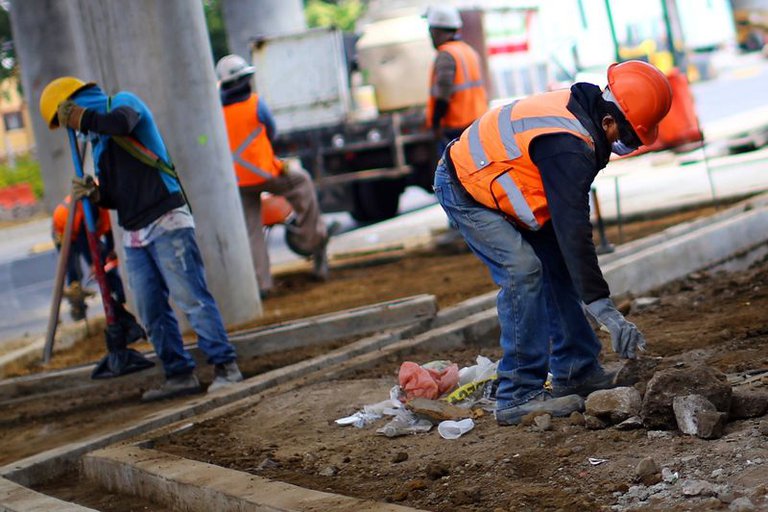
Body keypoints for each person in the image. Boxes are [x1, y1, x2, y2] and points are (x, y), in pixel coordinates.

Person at [433, 60, 672, 426]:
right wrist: (604, 309)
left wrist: (595, 298)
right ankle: (517, 393)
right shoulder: (569, 146)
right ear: (609, 121)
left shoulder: (582, 117)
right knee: (523, 270)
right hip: (467, 187)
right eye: (626, 137)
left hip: (506, 185)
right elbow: (574, 228)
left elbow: (568, 236)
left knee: (556, 267)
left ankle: (577, 370)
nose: (622, 147)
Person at [39, 77, 245, 401]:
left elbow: (121, 123)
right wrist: (96, 195)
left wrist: (83, 117)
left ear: (77, 103)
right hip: (134, 231)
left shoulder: (123, 103)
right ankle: (178, 373)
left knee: (191, 297)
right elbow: (116, 194)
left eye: (71, 119)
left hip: (166, 219)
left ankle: (226, 367)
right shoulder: (100, 143)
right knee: (150, 308)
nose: (76, 130)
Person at [215, 54, 338, 297]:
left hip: (238, 183)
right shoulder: (255, 103)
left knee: (252, 231)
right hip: (266, 174)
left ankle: (262, 284)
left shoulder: (217, 112)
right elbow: (271, 132)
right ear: (244, 80)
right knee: (301, 182)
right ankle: (314, 239)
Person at [424, 5, 488, 158]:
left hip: (455, 128)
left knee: (452, 175)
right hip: (476, 123)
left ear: (437, 31)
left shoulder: (446, 54)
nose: (430, 36)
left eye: (431, 31)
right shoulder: (467, 50)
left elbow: (443, 93)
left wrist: (436, 123)